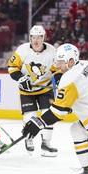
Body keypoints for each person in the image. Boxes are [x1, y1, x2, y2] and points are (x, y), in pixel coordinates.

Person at [22, 43, 88, 174]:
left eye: (61, 62)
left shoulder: (70, 79)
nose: (58, 65)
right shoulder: (84, 64)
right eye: (58, 61)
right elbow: (79, 90)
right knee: (77, 130)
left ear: (71, 61)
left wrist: (38, 123)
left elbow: (58, 112)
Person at [8, 25, 61, 157]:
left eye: (39, 37)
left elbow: (57, 70)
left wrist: (60, 81)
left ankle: (46, 143)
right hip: (27, 91)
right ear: (30, 38)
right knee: (30, 117)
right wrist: (20, 78)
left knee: (48, 115)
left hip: (45, 89)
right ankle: (29, 138)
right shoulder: (22, 50)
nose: (36, 40)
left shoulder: (52, 51)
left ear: (44, 38)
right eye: (33, 37)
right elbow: (12, 67)